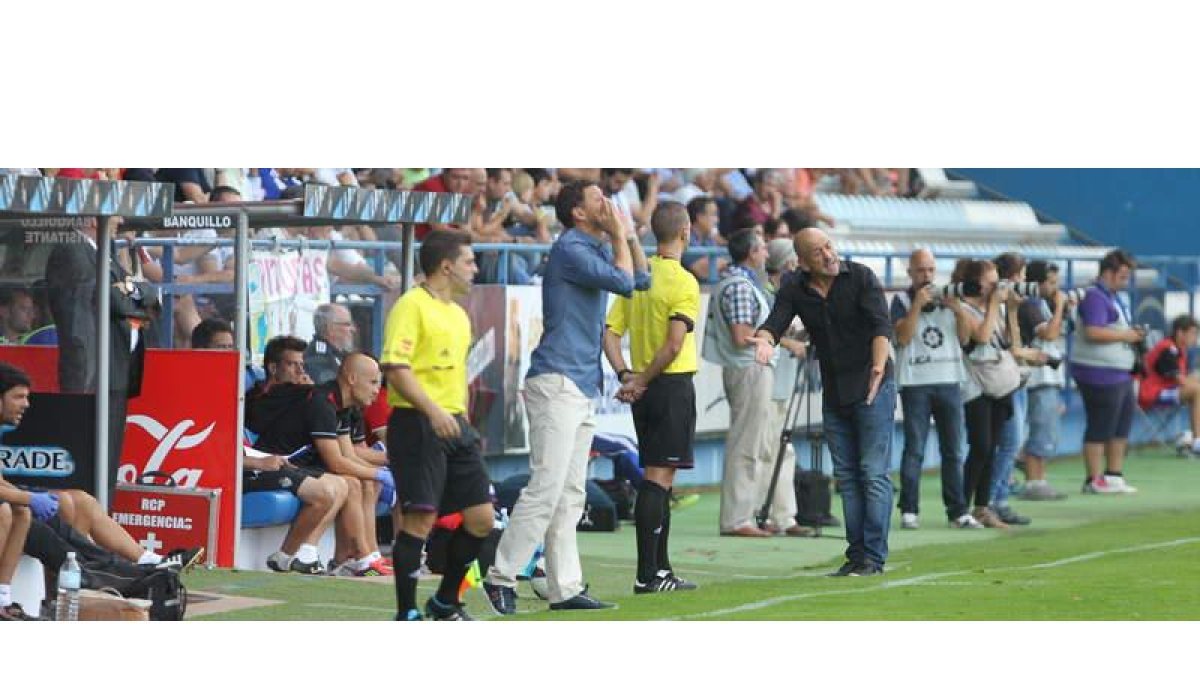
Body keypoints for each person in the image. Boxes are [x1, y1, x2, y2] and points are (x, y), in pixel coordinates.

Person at [483, 180, 649, 615]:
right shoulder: (571, 249)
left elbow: (642, 277)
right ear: (577, 212)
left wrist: (627, 232)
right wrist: (618, 236)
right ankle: (500, 576)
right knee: (546, 488)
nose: (607, 204)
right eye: (598, 199)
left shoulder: (590, 247)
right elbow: (626, 282)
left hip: (577, 385)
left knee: (571, 493)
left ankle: (564, 586)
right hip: (556, 382)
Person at [750, 228, 895, 576]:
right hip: (835, 390)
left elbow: (881, 327)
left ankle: (873, 557)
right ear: (802, 262)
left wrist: (877, 367)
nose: (828, 254)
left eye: (829, 246)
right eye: (818, 252)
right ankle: (856, 556)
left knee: (872, 473)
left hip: (873, 386)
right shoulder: (794, 288)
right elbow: (775, 322)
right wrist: (765, 341)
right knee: (846, 476)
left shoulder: (861, 276)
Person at [380, 229, 495, 621]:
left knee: (482, 519)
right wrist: (432, 410)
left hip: (455, 423)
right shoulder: (411, 306)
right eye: (469, 262)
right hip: (419, 422)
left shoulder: (459, 316)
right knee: (421, 518)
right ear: (446, 267)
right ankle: (407, 613)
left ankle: (445, 602)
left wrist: (458, 416)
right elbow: (396, 368)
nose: (475, 269)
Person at [602, 202, 701, 594]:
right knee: (658, 479)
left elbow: (609, 334)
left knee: (659, 476)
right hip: (669, 385)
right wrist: (640, 378)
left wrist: (626, 374)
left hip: (644, 388)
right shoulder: (683, 281)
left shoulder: (639, 278)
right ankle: (649, 574)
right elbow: (675, 344)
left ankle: (661, 568)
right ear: (686, 232)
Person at [245, 337, 387, 576]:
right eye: (373, 382)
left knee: (353, 482)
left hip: (297, 466)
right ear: (352, 379)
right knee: (347, 482)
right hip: (269, 464)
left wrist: (381, 472)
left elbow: (349, 453)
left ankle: (340, 556)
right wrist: (382, 473)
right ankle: (357, 556)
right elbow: (336, 461)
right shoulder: (322, 402)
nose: (376, 390)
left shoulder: (342, 404)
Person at [45, 215, 149, 504]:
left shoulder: (103, 251)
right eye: (113, 212)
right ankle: (88, 537)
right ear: (93, 217)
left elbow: (146, 298)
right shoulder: (73, 252)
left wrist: (131, 290)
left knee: (106, 466)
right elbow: (83, 323)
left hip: (113, 372)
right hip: (93, 377)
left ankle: (100, 532)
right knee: (91, 465)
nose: (120, 219)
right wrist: (81, 385)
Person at [891, 249, 981, 530]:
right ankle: (909, 510)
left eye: (930, 270)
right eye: (920, 270)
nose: (926, 276)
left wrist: (957, 308)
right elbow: (902, 337)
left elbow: (967, 338)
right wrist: (917, 305)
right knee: (914, 448)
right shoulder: (901, 300)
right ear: (910, 273)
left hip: (949, 379)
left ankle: (958, 511)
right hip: (915, 382)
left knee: (953, 449)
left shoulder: (949, 296)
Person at [701, 229, 778, 538]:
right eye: (762, 249)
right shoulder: (740, 287)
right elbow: (740, 335)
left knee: (752, 442)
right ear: (751, 252)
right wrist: (770, 341)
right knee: (746, 443)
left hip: (747, 368)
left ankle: (748, 514)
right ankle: (737, 519)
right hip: (749, 368)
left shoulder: (737, 283)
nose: (766, 254)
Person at [953, 260, 1022, 528]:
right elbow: (980, 337)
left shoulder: (995, 308)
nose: (996, 287)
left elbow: (1011, 343)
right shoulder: (963, 307)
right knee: (980, 446)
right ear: (975, 282)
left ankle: (982, 506)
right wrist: (995, 303)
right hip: (976, 385)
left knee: (991, 447)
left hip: (998, 384)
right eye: (990, 281)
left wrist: (1012, 310)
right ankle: (962, 507)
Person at [1069, 249, 1143, 494]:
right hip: (1097, 372)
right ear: (1108, 272)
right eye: (1122, 275)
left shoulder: (1113, 297)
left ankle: (1114, 474)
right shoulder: (1095, 297)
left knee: (1121, 424)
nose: (1126, 281)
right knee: (1100, 425)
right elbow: (1093, 331)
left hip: (1119, 371)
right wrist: (1126, 335)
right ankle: (1093, 479)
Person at [760, 239, 817, 537]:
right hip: (769, 383)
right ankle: (768, 514)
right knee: (769, 449)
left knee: (784, 450)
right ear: (786, 266)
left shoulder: (785, 294)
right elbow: (762, 331)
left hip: (782, 382)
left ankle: (784, 516)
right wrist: (791, 341)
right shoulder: (768, 295)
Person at [1016, 261, 1073, 500]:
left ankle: (1039, 478)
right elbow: (1049, 333)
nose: (1055, 288)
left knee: (1047, 431)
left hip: (1049, 376)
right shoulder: (1030, 305)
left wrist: (1063, 309)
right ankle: (1033, 481)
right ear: (1037, 283)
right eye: (1050, 283)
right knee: (1040, 430)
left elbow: (1063, 330)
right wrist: (1059, 307)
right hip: (1038, 377)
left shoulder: (1042, 305)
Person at [988, 253, 1035, 526]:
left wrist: (1014, 310)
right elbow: (1010, 348)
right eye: (1022, 275)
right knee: (1008, 442)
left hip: (1015, 378)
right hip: (1000, 380)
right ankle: (993, 500)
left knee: (1012, 442)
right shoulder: (992, 303)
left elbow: (1013, 343)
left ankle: (1000, 498)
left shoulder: (1009, 305)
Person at [1138, 315, 1200, 456]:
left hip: (1166, 390)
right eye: (1192, 333)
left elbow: (1185, 379)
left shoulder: (1180, 350)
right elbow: (1181, 381)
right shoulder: (1167, 349)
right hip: (1151, 395)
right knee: (1197, 390)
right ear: (1180, 333)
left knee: (1196, 381)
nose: (1195, 338)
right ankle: (1197, 442)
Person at [304, 303, 357, 386]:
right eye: (347, 324)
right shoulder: (318, 357)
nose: (353, 329)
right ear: (330, 328)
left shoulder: (340, 355)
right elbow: (331, 388)